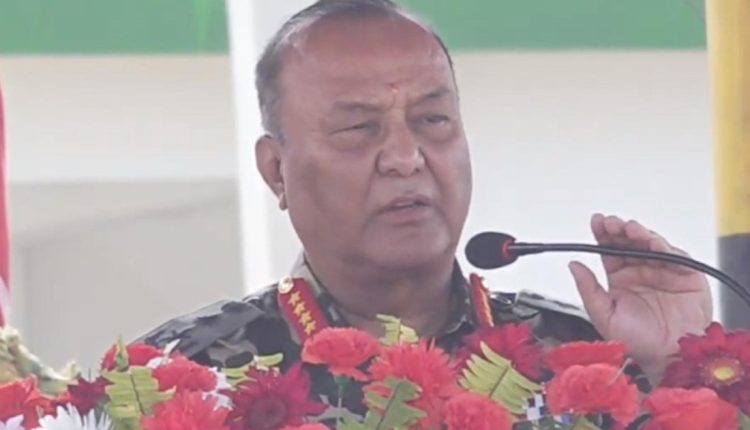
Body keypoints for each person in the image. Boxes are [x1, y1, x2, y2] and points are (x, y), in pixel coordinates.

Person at [141, 0, 712, 414]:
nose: (405, 157)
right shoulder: (180, 378)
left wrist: (676, 370)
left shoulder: (588, 360)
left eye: (432, 120)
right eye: (359, 128)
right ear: (275, 170)